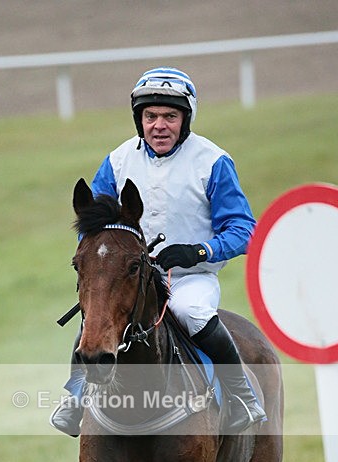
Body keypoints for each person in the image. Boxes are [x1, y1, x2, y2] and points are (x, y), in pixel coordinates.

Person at [51, 66, 266, 436]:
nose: (159, 125)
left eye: (170, 116)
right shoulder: (118, 161)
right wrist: (98, 269)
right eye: (151, 116)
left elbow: (245, 230)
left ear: (185, 119)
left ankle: (242, 394)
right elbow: (92, 229)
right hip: (132, 277)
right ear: (140, 120)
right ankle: (75, 398)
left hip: (191, 278)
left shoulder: (213, 162)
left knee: (190, 311)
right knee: (96, 318)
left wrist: (199, 251)